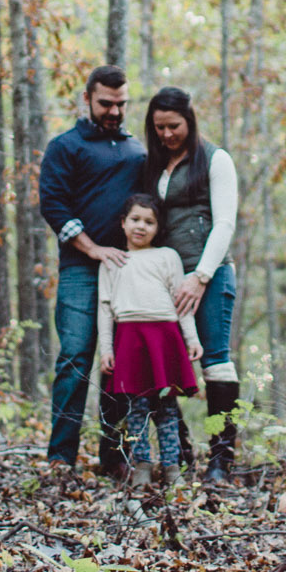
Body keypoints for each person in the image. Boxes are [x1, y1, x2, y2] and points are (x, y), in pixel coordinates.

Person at [35, 65, 147, 472]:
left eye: (121, 104)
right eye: (106, 103)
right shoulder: (66, 146)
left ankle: (113, 459)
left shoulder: (137, 150)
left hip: (129, 273)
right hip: (82, 270)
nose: (114, 111)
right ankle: (60, 459)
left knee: (119, 362)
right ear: (87, 99)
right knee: (76, 358)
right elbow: (53, 204)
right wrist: (92, 248)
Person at [141, 87, 242, 481]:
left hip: (210, 275)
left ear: (190, 120)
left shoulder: (216, 160)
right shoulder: (153, 165)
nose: (167, 134)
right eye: (159, 127)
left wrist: (201, 277)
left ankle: (221, 458)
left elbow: (225, 224)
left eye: (174, 126)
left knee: (215, 361)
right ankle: (178, 450)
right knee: (160, 364)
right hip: (160, 277)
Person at [96, 194, 201, 484]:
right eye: (135, 219)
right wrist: (106, 349)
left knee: (167, 408)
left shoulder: (167, 257)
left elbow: (182, 302)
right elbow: (104, 309)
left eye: (149, 222)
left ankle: (171, 467)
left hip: (165, 337)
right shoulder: (112, 261)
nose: (141, 226)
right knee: (136, 408)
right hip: (129, 338)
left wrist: (191, 338)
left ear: (158, 227)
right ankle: (141, 466)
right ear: (123, 222)